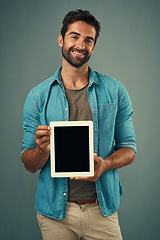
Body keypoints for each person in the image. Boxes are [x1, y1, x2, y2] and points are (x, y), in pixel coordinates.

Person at [21, 9, 136, 240]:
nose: (81, 44)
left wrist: (105, 164)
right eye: (74, 36)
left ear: (94, 46)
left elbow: (129, 149)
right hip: (56, 215)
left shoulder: (115, 91)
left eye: (88, 40)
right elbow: (29, 163)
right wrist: (42, 150)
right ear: (61, 39)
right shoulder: (37, 96)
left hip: (101, 211)